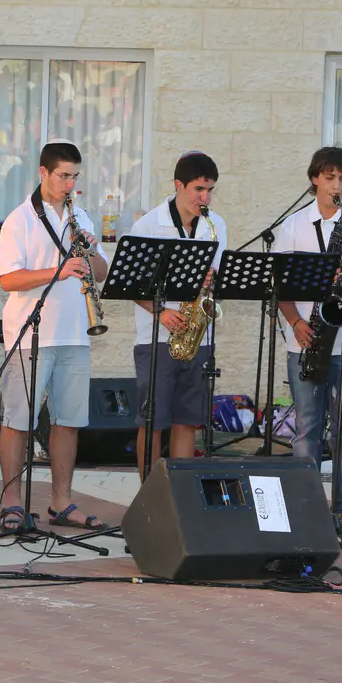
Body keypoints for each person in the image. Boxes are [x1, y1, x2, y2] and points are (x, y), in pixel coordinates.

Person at [0, 140, 109, 532]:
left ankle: (61, 502)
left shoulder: (82, 216)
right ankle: (12, 502)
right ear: (43, 173)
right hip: (31, 335)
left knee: (68, 421)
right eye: (63, 176)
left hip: (75, 333)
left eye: (75, 177)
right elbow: (9, 279)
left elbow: (101, 273)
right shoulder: (19, 220)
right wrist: (58, 271)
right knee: (18, 421)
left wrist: (92, 251)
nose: (70, 184)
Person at [275, 146, 342, 533]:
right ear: (314, 179)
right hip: (306, 340)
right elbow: (279, 284)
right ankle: (305, 506)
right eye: (330, 177)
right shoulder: (293, 225)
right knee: (307, 427)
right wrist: (294, 322)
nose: (337, 186)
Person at [128, 151, 227, 479]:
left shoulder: (215, 225)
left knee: (187, 421)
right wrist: (161, 312)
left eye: (210, 190)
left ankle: (181, 493)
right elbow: (130, 285)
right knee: (152, 422)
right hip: (157, 337)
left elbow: (218, 280)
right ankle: (149, 495)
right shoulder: (148, 226)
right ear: (178, 185)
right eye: (199, 189)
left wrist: (213, 280)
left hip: (198, 338)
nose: (205, 198)